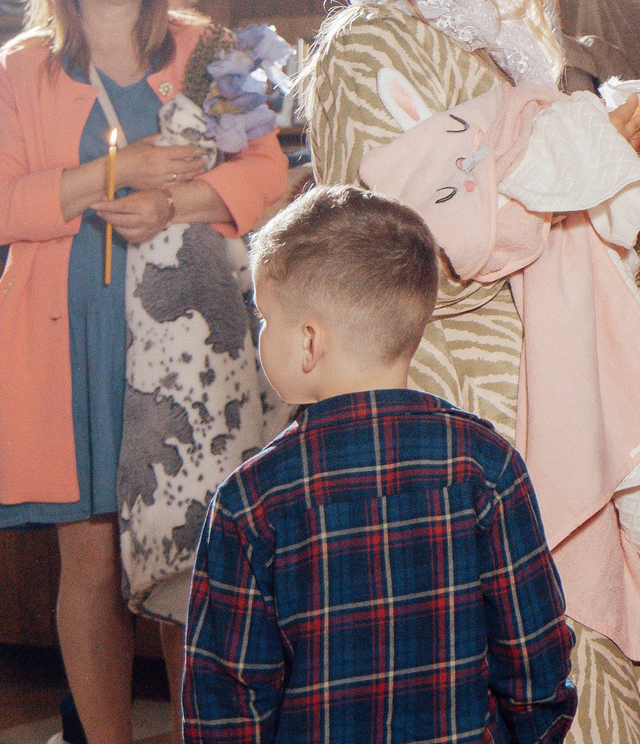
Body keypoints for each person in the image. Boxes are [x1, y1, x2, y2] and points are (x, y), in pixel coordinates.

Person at [301, 0, 640, 740]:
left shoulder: (493, 42)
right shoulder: (365, 48)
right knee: (486, 666)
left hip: (538, 385)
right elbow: (405, 243)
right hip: (445, 398)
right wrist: (581, 159)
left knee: (569, 655)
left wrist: (621, 171)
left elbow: (537, 189)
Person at [0, 0, 289, 744]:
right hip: (70, 344)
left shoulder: (215, 48)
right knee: (94, 565)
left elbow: (269, 171)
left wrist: (171, 203)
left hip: (189, 346)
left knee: (189, 560)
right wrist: (114, 172)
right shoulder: (16, 69)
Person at [182, 186, 576, 744]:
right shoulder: (487, 467)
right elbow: (538, 668)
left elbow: (224, 711)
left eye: (265, 317)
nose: (259, 332)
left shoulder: (249, 502)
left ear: (309, 343)